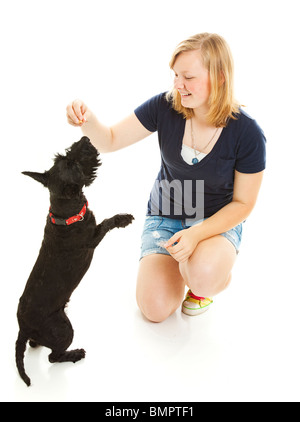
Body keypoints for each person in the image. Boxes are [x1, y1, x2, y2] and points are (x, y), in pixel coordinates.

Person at [66, 33, 266, 323]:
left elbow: (243, 204)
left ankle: (204, 282)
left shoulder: (247, 133)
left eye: (188, 76)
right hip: (168, 214)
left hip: (213, 221)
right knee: (155, 309)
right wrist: (87, 120)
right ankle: (185, 269)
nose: (177, 84)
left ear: (220, 77)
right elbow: (108, 140)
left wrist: (196, 234)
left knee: (203, 276)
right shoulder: (165, 106)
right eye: (175, 75)